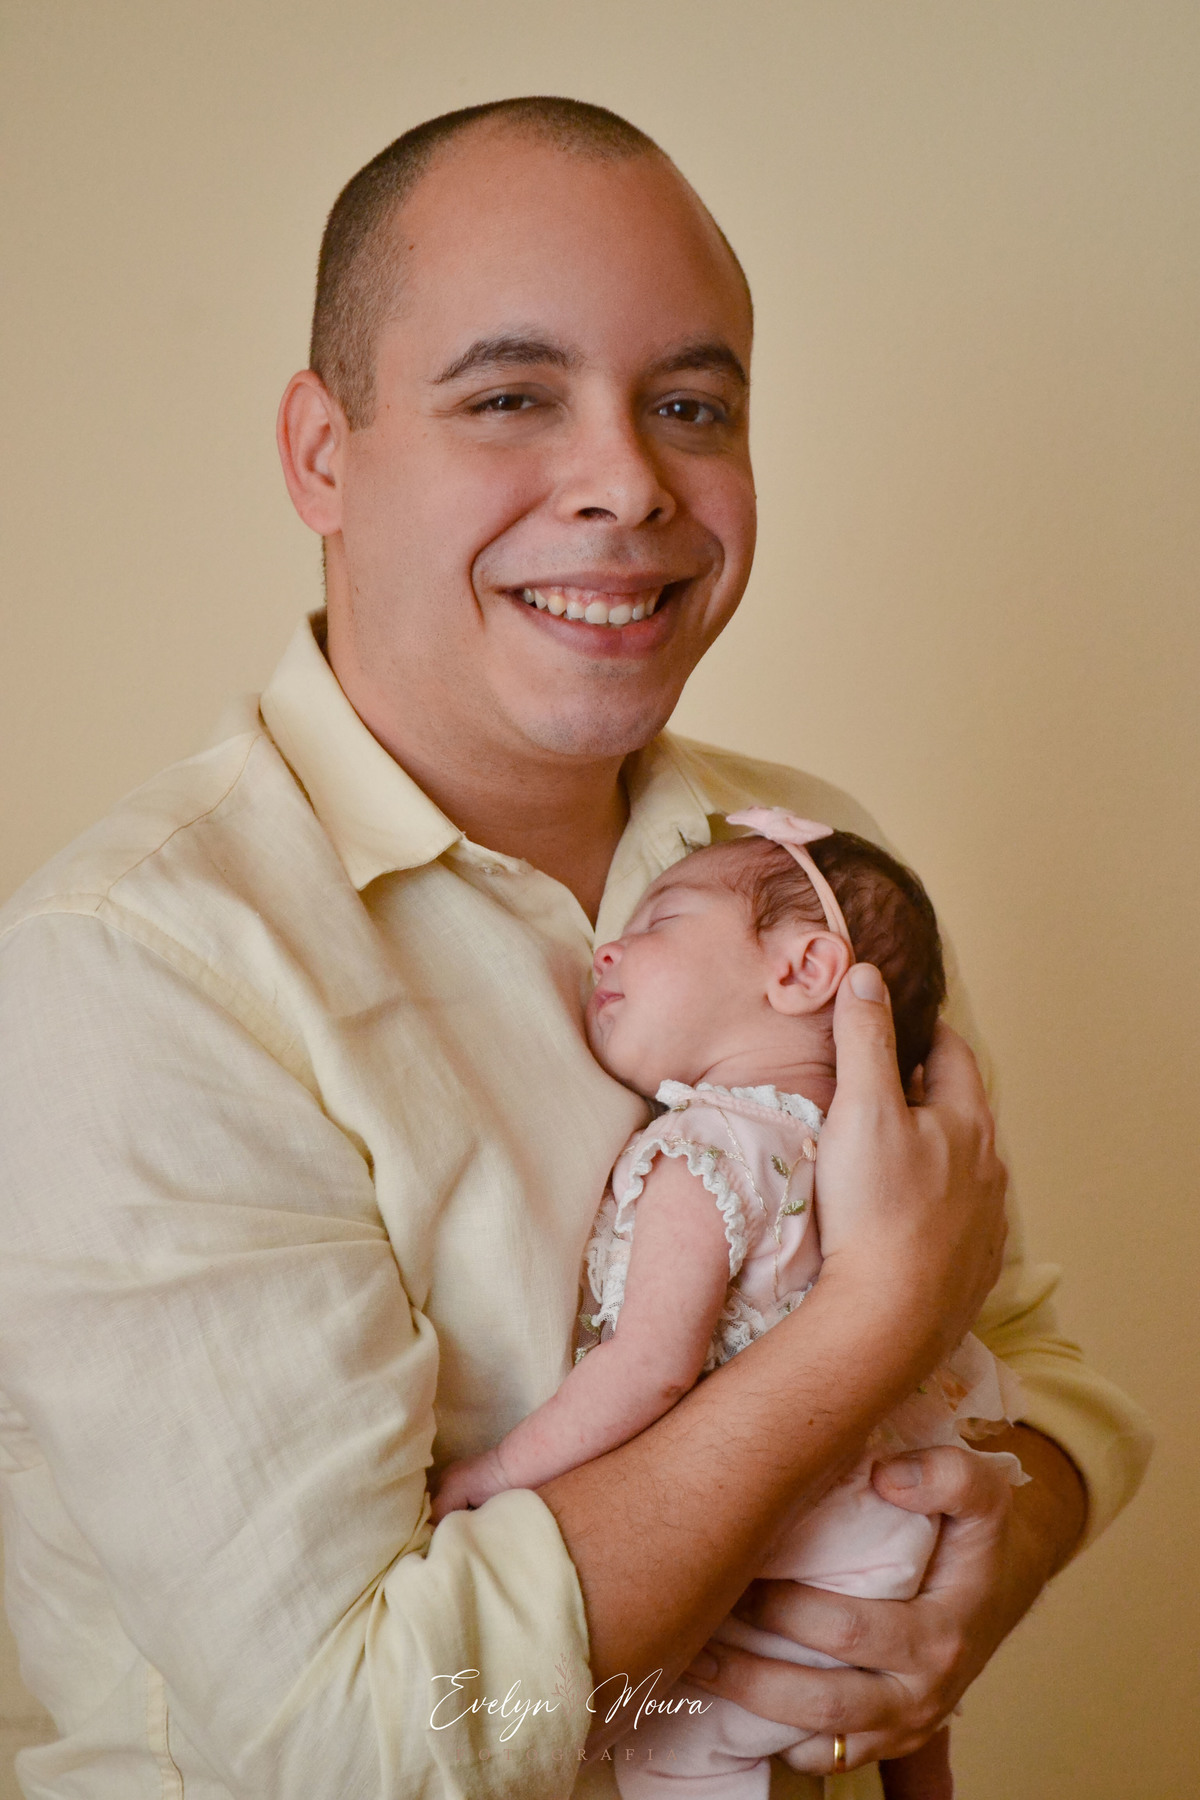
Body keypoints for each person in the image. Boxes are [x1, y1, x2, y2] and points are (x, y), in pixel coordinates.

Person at [0, 97, 1150, 1800]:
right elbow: (362, 1744)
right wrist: (854, 1345)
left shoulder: (810, 879)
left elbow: (1029, 1352)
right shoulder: (137, 973)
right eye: (510, 397)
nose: (627, 482)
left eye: (690, 405)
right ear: (324, 452)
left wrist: (1003, 1552)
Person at [432, 812, 1028, 1800]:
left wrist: (495, 1474)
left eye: (662, 917)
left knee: (679, 1757)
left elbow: (651, 1367)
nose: (610, 946)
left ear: (799, 971)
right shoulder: (888, 1158)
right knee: (895, 1716)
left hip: (799, 1543)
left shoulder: (704, 1155)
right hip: (905, 1515)